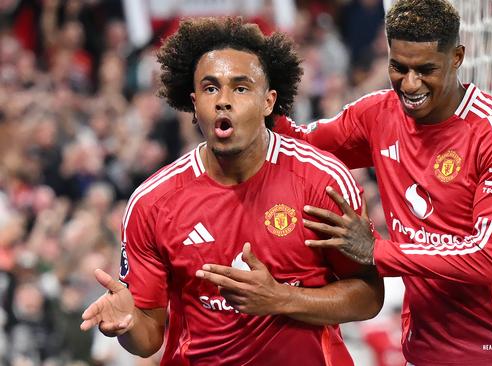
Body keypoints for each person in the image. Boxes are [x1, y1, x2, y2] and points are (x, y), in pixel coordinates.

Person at [79, 17, 384, 366]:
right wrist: (128, 324)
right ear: (194, 103)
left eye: (240, 88)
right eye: (211, 88)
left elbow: (368, 296)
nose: (223, 100)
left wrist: (279, 298)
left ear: (268, 102)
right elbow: (148, 339)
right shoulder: (152, 203)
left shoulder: (322, 181)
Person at [270, 0, 492, 365]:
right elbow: (298, 147)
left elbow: (489, 259)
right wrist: (261, 94)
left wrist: (378, 251)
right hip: (422, 353)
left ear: (457, 58)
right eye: (398, 67)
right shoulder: (377, 115)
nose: (410, 83)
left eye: (425, 70)